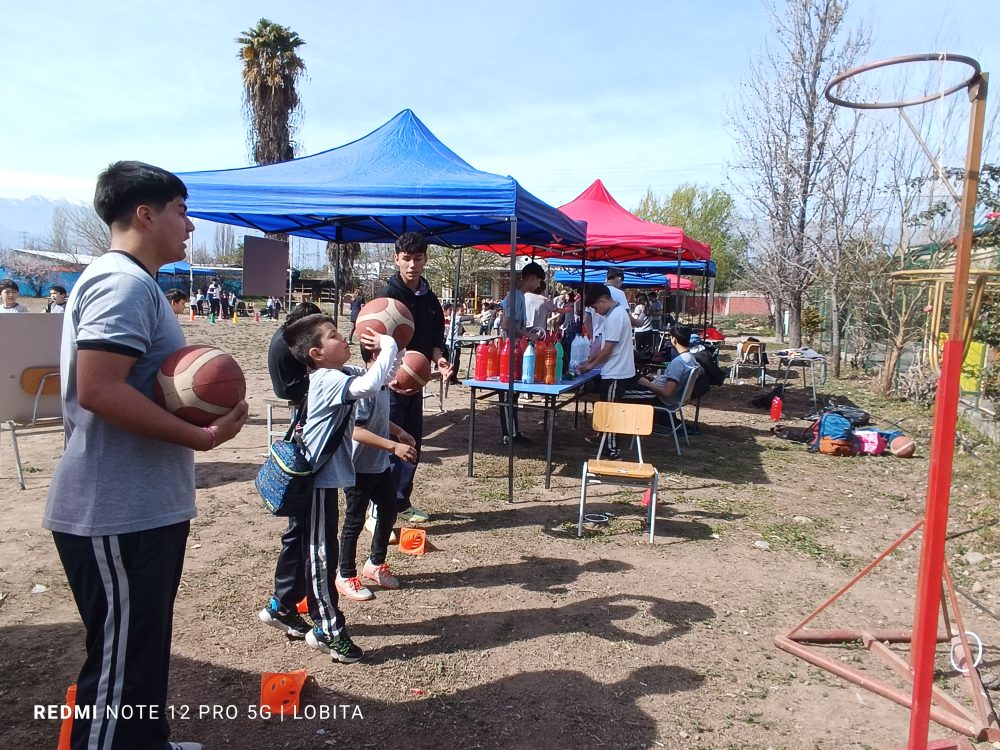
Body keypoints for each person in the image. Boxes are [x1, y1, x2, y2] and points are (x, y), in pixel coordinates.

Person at [42, 161, 249, 750]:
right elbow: (99, 389)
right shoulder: (123, 283)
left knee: (145, 646)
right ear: (145, 213)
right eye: (181, 211)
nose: (189, 226)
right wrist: (203, 439)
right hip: (113, 508)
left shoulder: (132, 281)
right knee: (119, 664)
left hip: (141, 505)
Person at [257, 314, 396, 663]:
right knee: (322, 552)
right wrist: (389, 344)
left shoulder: (334, 374)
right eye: (335, 335)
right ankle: (328, 630)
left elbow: (379, 380)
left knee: (301, 541)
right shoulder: (329, 379)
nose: (344, 337)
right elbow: (368, 386)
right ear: (318, 352)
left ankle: (282, 605)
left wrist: (386, 354)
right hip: (318, 481)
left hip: (312, 477)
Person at [377, 232, 451, 523]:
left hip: (416, 382)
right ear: (396, 259)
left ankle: (401, 501)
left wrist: (439, 359)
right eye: (406, 258)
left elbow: (434, 339)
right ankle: (380, 508)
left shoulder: (430, 299)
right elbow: (372, 342)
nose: (412, 265)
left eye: (417, 258)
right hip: (390, 382)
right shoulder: (387, 298)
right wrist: (385, 372)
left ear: (424, 259)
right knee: (389, 445)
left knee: (413, 442)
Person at [336, 341, 416, 602]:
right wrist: (393, 446)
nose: (400, 366)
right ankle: (345, 575)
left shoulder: (381, 385)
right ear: (376, 356)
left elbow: (379, 419)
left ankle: (375, 564)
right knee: (354, 521)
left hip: (378, 464)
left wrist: (398, 431)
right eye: (397, 360)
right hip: (359, 467)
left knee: (389, 510)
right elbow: (356, 431)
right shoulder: (365, 387)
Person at [579, 284, 636, 460]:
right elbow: (603, 344)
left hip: (616, 373)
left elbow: (608, 349)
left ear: (603, 300)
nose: (596, 312)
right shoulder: (614, 315)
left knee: (610, 413)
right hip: (614, 371)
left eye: (596, 307)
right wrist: (589, 360)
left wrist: (591, 365)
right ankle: (608, 447)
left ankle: (613, 451)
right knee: (608, 411)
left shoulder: (616, 317)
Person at [497, 262, 546, 445]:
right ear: (532, 279)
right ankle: (509, 434)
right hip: (509, 350)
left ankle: (514, 432)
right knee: (508, 394)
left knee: (514, 393)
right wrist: (528, 334)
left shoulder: (521, 296)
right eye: (538, 282)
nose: (538, 286)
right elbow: (506, 325)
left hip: (518, 350)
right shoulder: (514, 296)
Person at [631, 324, 702, 412]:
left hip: (657, 397)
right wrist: (654, 379)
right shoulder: (691, 358)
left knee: (622, 393)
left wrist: (647, 384)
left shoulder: (678, 362)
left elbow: (667, 393)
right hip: (668, 397)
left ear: (674, 340)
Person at [267, 301, 322, 409]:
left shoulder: (283, 331)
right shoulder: (295, 339)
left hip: (281, 386)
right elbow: (314, 362)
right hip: (291, 388)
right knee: (329, 381)